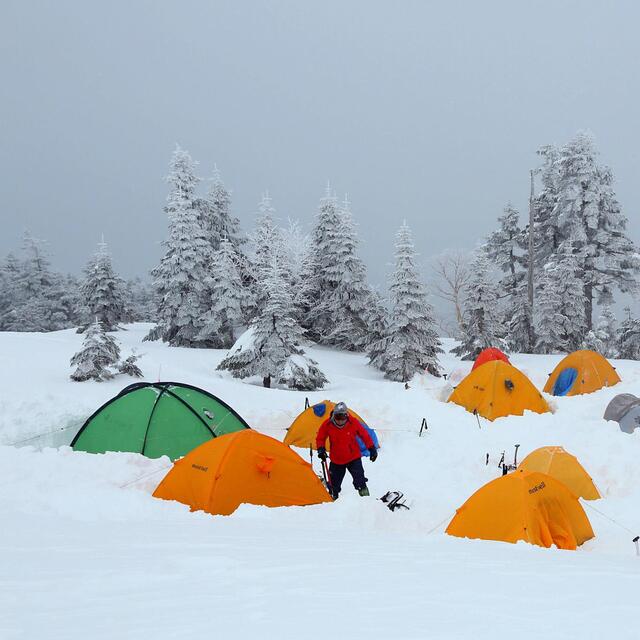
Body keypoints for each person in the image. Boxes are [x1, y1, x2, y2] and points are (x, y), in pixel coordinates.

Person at [316, 402, 377, 499]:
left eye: (342, 418)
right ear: (334, 415)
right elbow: (320, 437)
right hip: (337, 460)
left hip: (353, 458)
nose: (340, 421)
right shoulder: (327, 424)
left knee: (360, 480)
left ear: (346, 415)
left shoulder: (353, 422)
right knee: (333, 484)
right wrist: (321, 449)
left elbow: (364, 435)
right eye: (337, 417)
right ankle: (332, 499)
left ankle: (366, 500)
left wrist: (372, 448)